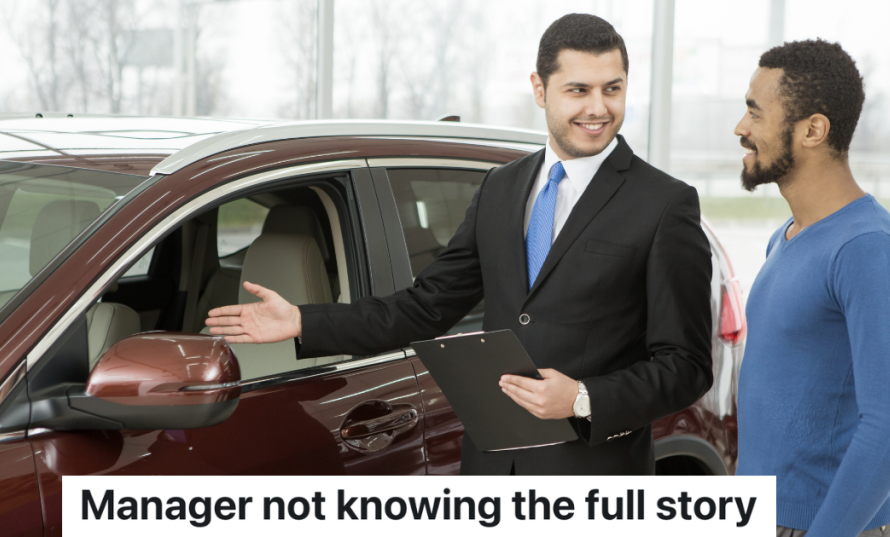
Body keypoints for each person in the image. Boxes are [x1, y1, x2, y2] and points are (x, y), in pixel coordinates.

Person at [207, 13, 714, 475]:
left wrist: (584, 397)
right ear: (540, 89)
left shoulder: (664, 204)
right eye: (578, 90)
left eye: (613, 89)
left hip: (594, 476)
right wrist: (303, 320)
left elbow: (687, 366)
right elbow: (424, 308)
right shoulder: (501, 188)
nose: (598, 108)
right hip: (490, 473)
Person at [734, 39, 890, 537]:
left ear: (813, 130)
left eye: (755, 113)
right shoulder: (789, 235)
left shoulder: (870, 249)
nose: (741, 128)